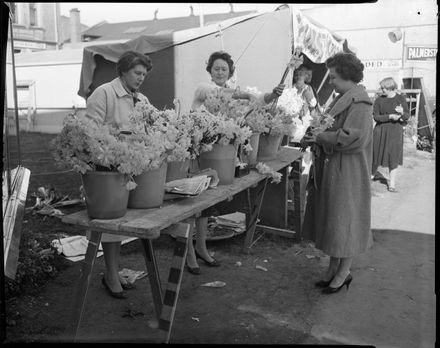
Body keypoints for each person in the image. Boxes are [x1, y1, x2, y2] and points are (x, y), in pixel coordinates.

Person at [186, 50, 285, 275]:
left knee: (207, 204)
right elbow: (225, 94)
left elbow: (258, 101)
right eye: (216, 68)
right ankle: (189, 254)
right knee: (193, 203)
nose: (220, 71)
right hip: (198, 153)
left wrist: (271, 94)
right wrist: (246, 95)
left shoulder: (233, 94)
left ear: (230, 71)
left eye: (224, 69)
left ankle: (201, 247)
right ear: (209, 71)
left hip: (220, 153)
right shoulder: (203, 88)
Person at [301, 52, 373, 294]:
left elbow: (355, 139)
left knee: (346, 222)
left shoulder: (360, 102)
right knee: (335, 222)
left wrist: (320, 136)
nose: (329, 80)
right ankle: (334, 269)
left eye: (332, 76)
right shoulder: (342, 98)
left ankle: (344, 273)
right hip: (336, 168)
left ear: (345, 74)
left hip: (349, 171)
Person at [84, 50, 153, 298]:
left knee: (132, 221)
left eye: (144, 74)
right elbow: (89, 133)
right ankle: (111, 275)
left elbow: (150, 129)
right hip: (105, 170)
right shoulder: (104, 93)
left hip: (133, 170)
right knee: (111, 224)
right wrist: (120, 139)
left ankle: (115, 271)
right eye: (137, 72)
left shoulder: (142, 100)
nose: (141, 77)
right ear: (123, 70)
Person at [371, 77, 409, 192]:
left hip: (395, 132)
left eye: (384, 88)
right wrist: (389, 117)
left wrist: (402, 113)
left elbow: (407, 116)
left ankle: (392, 184)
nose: (381, 90)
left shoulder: (400, 99)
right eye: (382, 88)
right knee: (375, 153)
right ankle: (371, 175)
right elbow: (376, 117)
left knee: (393, 156)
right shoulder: (379, 100)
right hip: (380, 131)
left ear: (391, 88)